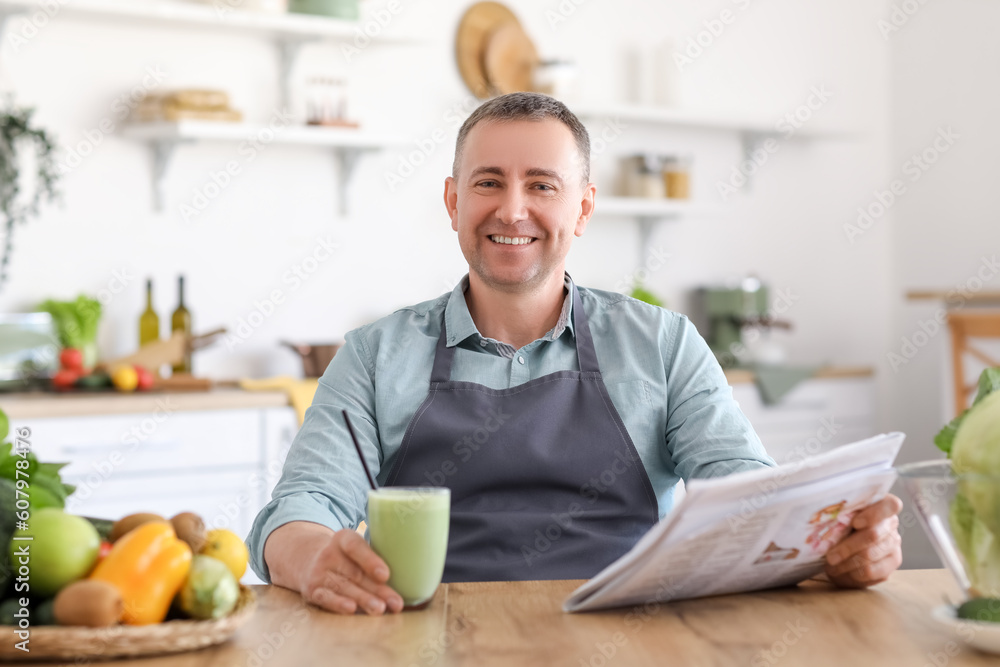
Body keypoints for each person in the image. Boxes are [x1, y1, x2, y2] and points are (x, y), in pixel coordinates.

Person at [247, 92, 903, 616]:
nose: (512, 208)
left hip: (631, 638)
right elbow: (301, 505)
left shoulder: (663, 344)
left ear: (583, 207)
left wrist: (835, 548)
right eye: (488, 182)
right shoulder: (373, 355)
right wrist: (309, 555)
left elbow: (749, 496)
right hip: (431, 638)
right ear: (453, 201)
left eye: (541, 185)